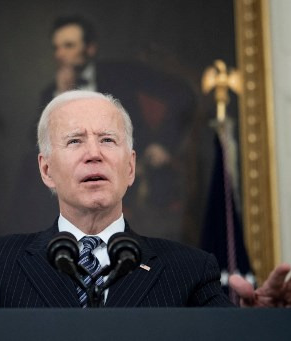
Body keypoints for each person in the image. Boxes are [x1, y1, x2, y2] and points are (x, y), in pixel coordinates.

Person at [0, 91, 291, 324]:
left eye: (108, 140)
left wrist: (268, 329)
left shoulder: (191, 271)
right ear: (47, 171)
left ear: (130, 167)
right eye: (74, 141)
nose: (94, 153)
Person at [38, 15, 198, 242]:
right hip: (73, 179)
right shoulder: (49, 94)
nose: (60, 54)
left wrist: (163, 142)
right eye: (56, 47)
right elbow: (37, 143)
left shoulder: (123, 73)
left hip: (138, 172)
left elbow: (182, 94)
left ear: (90, 48)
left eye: (69, 46)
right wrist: (61, 97)